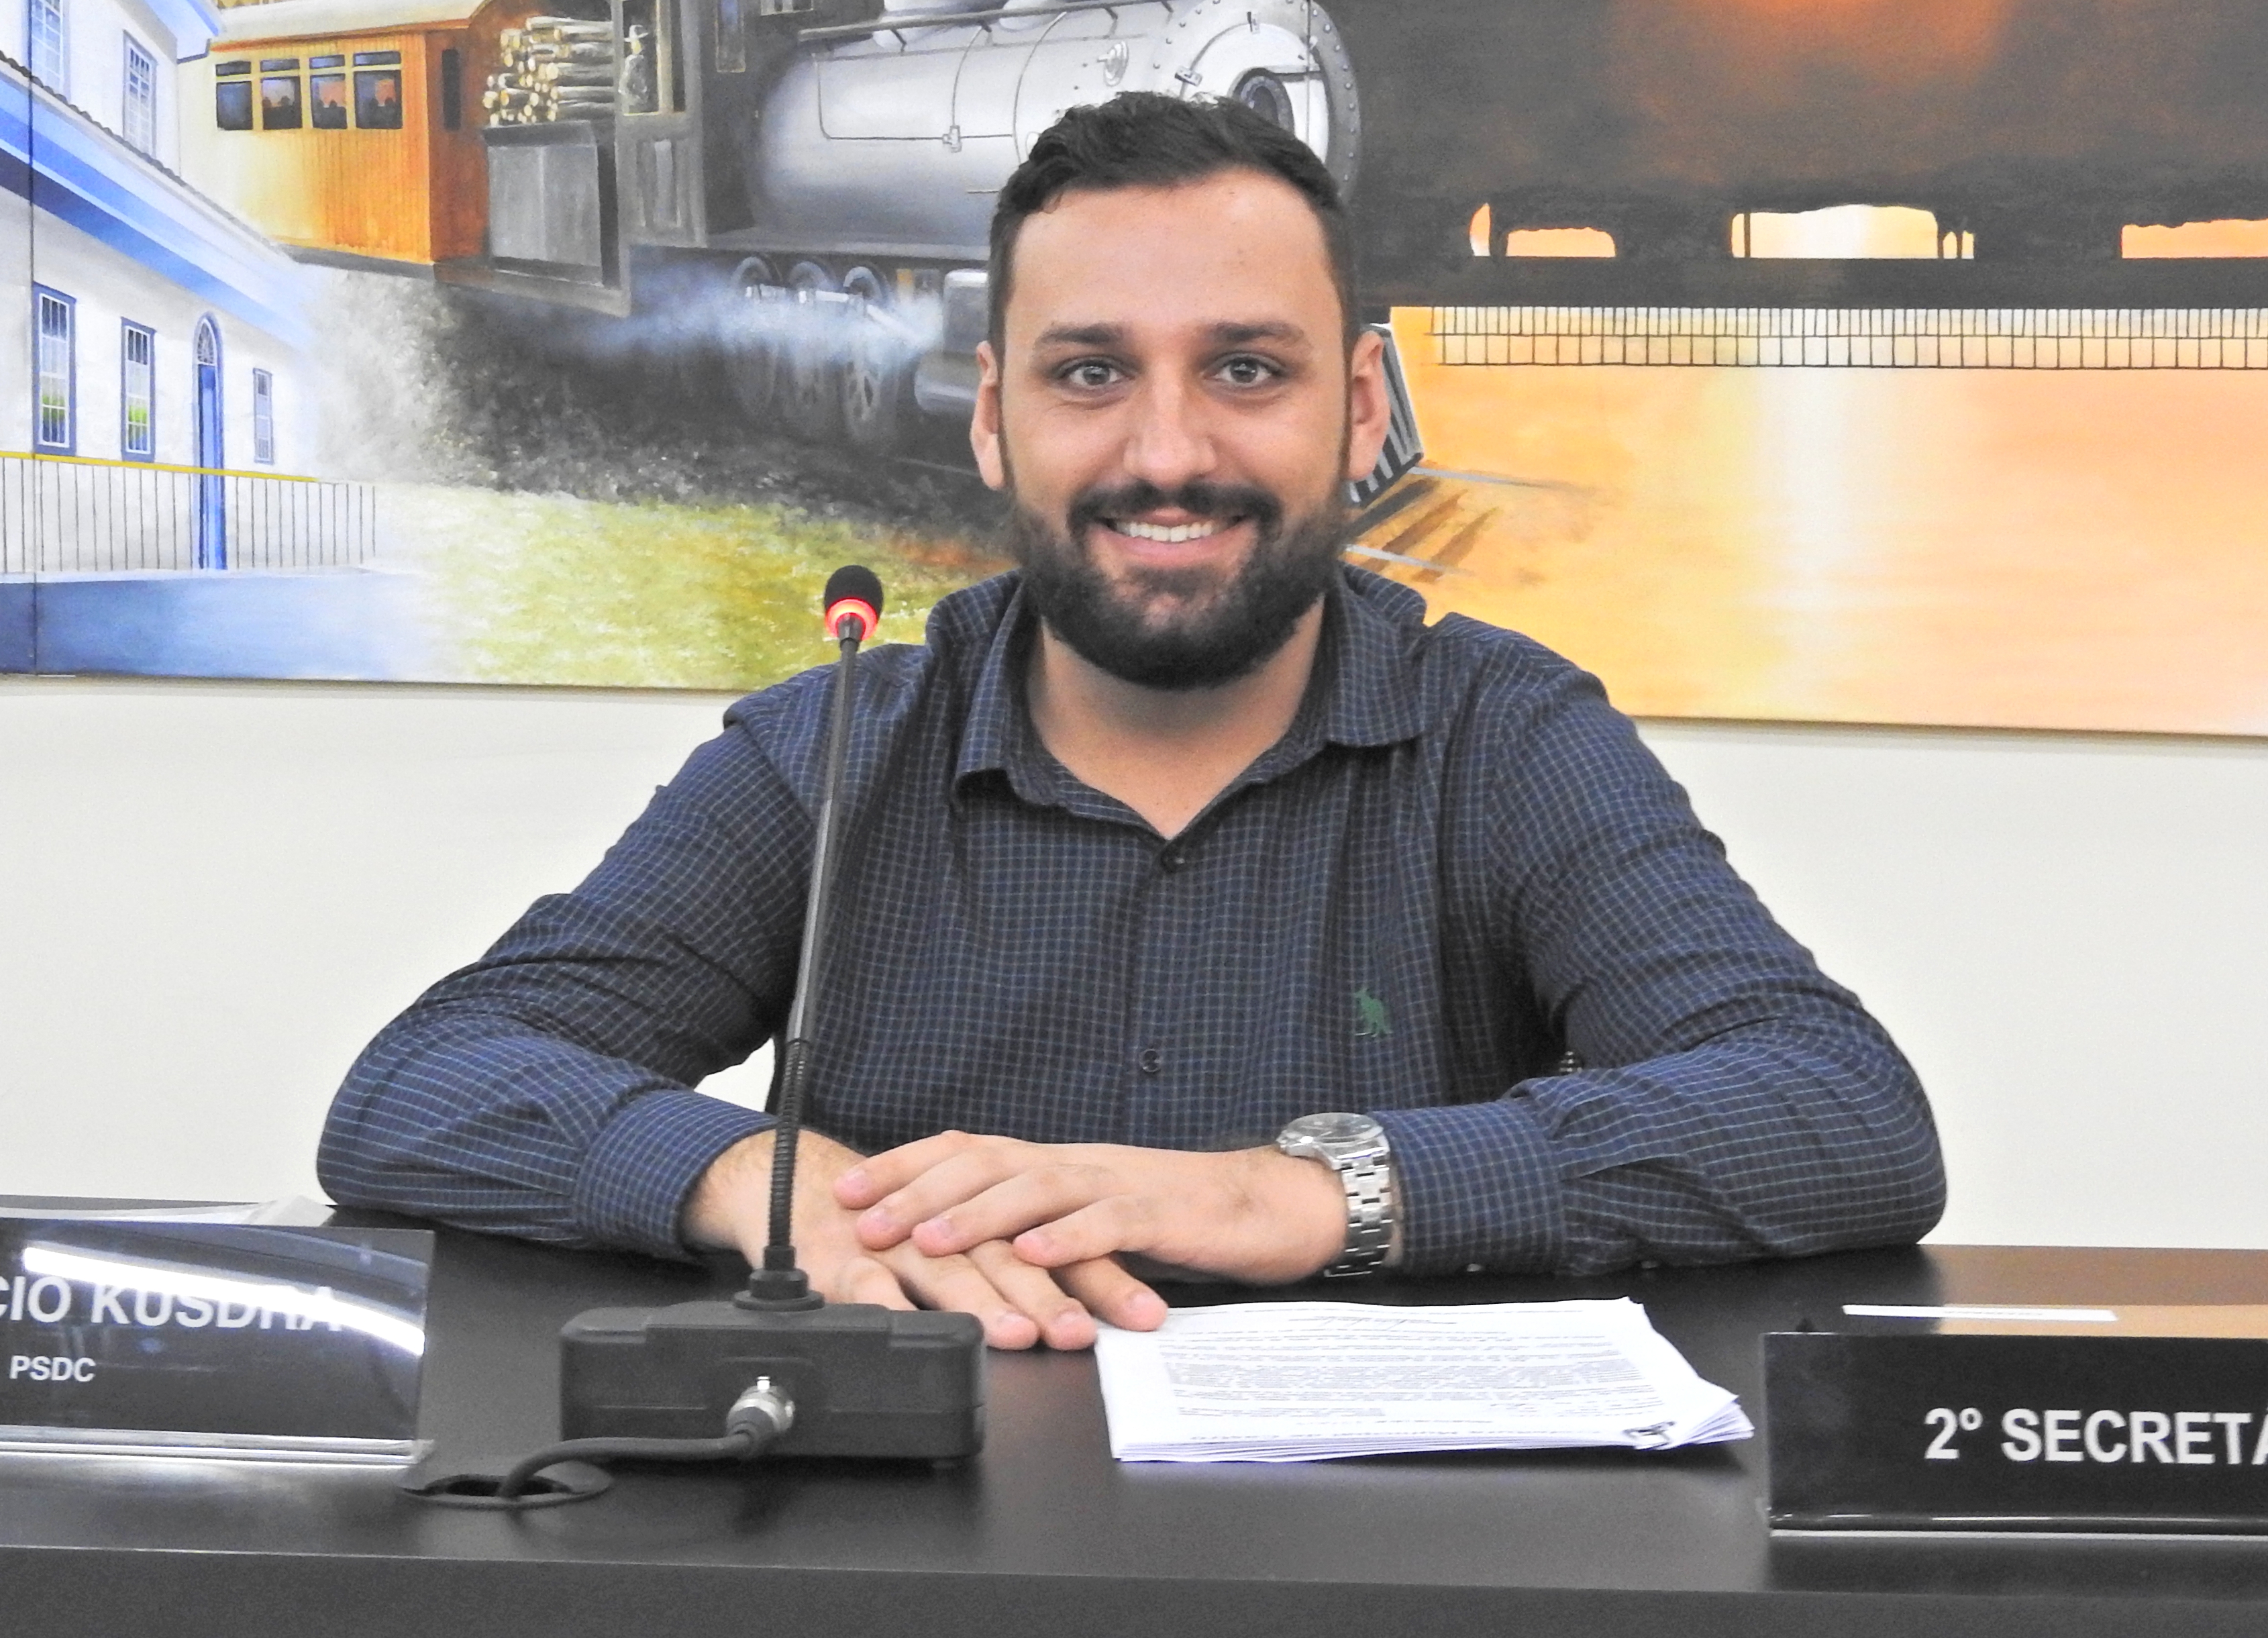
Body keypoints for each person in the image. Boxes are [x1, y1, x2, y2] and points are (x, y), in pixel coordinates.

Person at [319, 93, 1944, 1351]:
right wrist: (756, 1183)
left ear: (1361, 413)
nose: (1167, 454)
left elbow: (1839, 1113)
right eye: (1090, 376)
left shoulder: (1503, 737)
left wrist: (1296, 1193)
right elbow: (422, 1088)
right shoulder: (832, 745)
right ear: (991, 419)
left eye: (1246, 371)